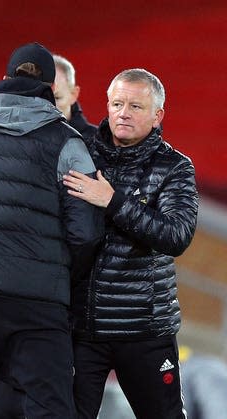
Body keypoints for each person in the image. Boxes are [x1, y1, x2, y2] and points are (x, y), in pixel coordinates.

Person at [0, 42, 104, 419]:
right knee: (52, 412)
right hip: (38, 302)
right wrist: (60, 275)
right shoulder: (68, 142)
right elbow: (86, 233)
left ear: (4, 79)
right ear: (50, 87)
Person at [62, 68, 198, 419]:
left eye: (135, 106)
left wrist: (113, 201)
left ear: (157, 116)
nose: (123, 113)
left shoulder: (175, 167)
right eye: (117, 104)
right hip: (84, 329)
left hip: (145, 331)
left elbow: (176, 235)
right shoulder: (80, 153)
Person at [0, 52, 100, 419]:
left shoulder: (96, 148)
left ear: (75, 94)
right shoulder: (6, 138)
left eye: (56, 98)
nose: (45, 105)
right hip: (16, 296)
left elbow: (90, 235)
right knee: (4, 403)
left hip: (74, 308)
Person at [53, 54, 97, 139]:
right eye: (42, 97)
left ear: (73, 95)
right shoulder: (21, 140)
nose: (48, 106)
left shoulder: (98, 142)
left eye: (56, 98)